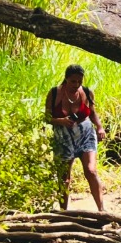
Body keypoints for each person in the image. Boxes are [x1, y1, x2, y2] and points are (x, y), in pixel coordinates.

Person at [46, 63, 106, 212]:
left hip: (85, 134)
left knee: (91, 171)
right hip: (63, 137)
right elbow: (47, 117)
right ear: (66, 79)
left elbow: (92, 113)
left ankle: (102, 210)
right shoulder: (54, 93)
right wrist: (60, 121)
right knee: (64, 178)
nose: (77, 84)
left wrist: (99, 127)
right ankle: (63, 212)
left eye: (80, 81)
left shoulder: (86, 92)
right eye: (73, 81)